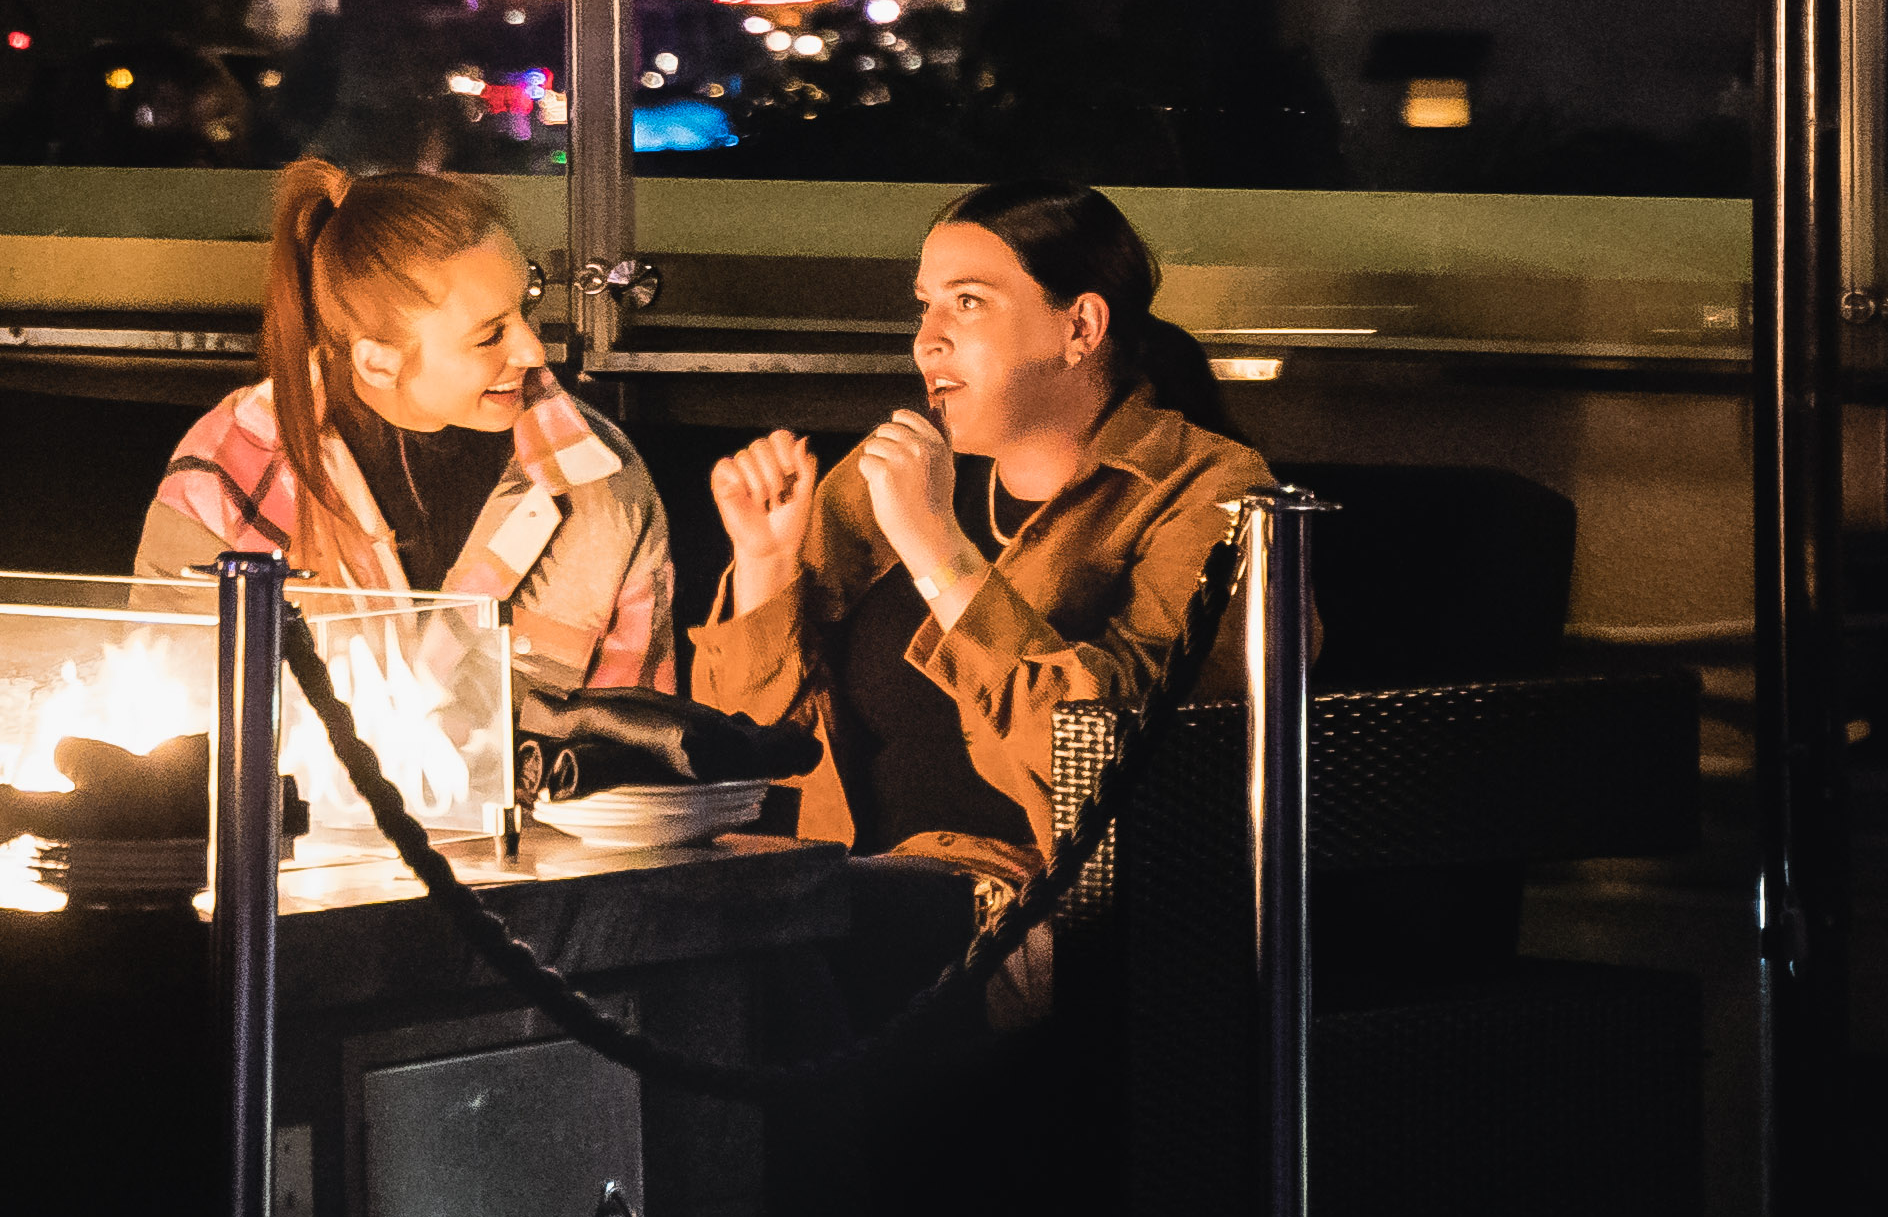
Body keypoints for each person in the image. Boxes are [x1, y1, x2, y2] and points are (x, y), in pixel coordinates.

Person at [683, 178, 1272, 886]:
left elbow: (1121, 765)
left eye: (969, 303)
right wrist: (765, 565)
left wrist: (938, 546)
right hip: (845, 885)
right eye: (925, 306)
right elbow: (742, 749)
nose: (928, 341)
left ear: (1079, 328)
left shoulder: (1210, 490)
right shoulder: (886, 478)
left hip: (1049, 905)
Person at [135, 158, 678, 707]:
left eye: (525, 311)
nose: (533, 350)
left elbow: (635, 735)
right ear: (377, 363)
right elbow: (162, 712)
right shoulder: (225, 467)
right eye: (490, 336)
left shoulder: (601, 474)